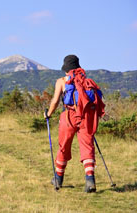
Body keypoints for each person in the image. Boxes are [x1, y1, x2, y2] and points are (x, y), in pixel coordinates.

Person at [44, 55, 105, 193]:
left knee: (64, 145)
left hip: (69, 115)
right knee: (87, 145)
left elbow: (55, 102)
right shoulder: (86, 81)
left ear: (66, 69)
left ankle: (58, 178)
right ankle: (90, 180)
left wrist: (48, 114)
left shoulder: (61, 81)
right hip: (86, 116)